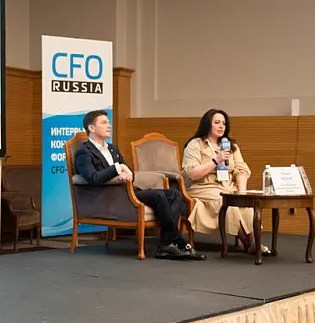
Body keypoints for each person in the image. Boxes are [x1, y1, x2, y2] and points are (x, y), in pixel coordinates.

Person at [75, 110, 205, 260]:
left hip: (129, 191)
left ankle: (166, 244)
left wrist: (127, 173)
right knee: (159, 195)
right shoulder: (84, 152)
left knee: (174, 194)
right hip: (111, 197)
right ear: (91, 128)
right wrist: (117, 169)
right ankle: (176, 240)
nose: (109, 126)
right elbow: (93, 178)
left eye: (108, 122)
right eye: (104, 123)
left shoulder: (112, 148)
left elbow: (129, 170)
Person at [182, 109, 271, 256]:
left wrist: (242, 192)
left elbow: (241, 170)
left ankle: (254, 241)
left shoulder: (231, 145)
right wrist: (216, 160)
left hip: (228, 186)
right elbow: (192, 173)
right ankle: (250, 243)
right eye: (217, 122)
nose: (221, 126)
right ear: (207, 124)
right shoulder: (195, 144)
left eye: (224, 123)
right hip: (204, 186)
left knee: (245, 205)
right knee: (228, 205)